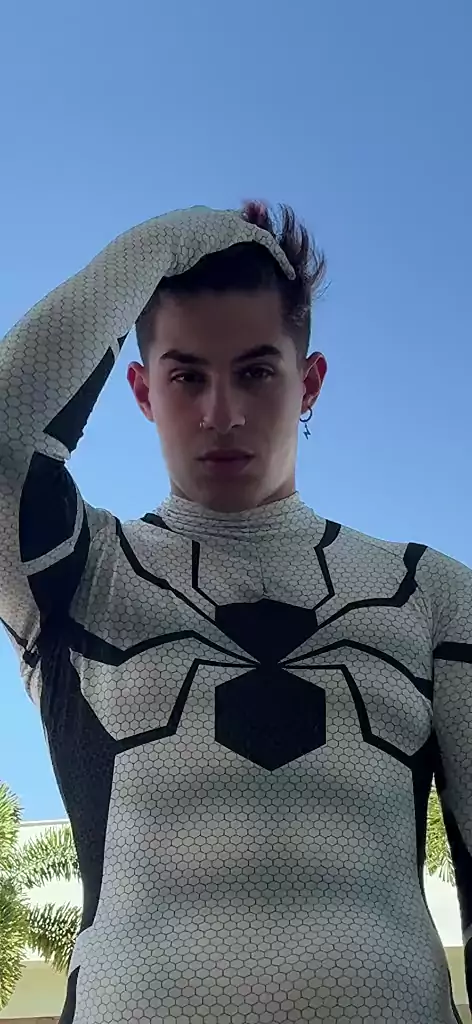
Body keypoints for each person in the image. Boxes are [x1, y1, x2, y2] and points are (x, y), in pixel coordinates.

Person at [0, 202, 470, 1024]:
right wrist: (163, 242)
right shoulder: (81, 574)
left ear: (309, 382)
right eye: (187, 376)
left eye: (256, 372)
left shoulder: (429, 591)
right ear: (142, 390)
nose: (222, 413)